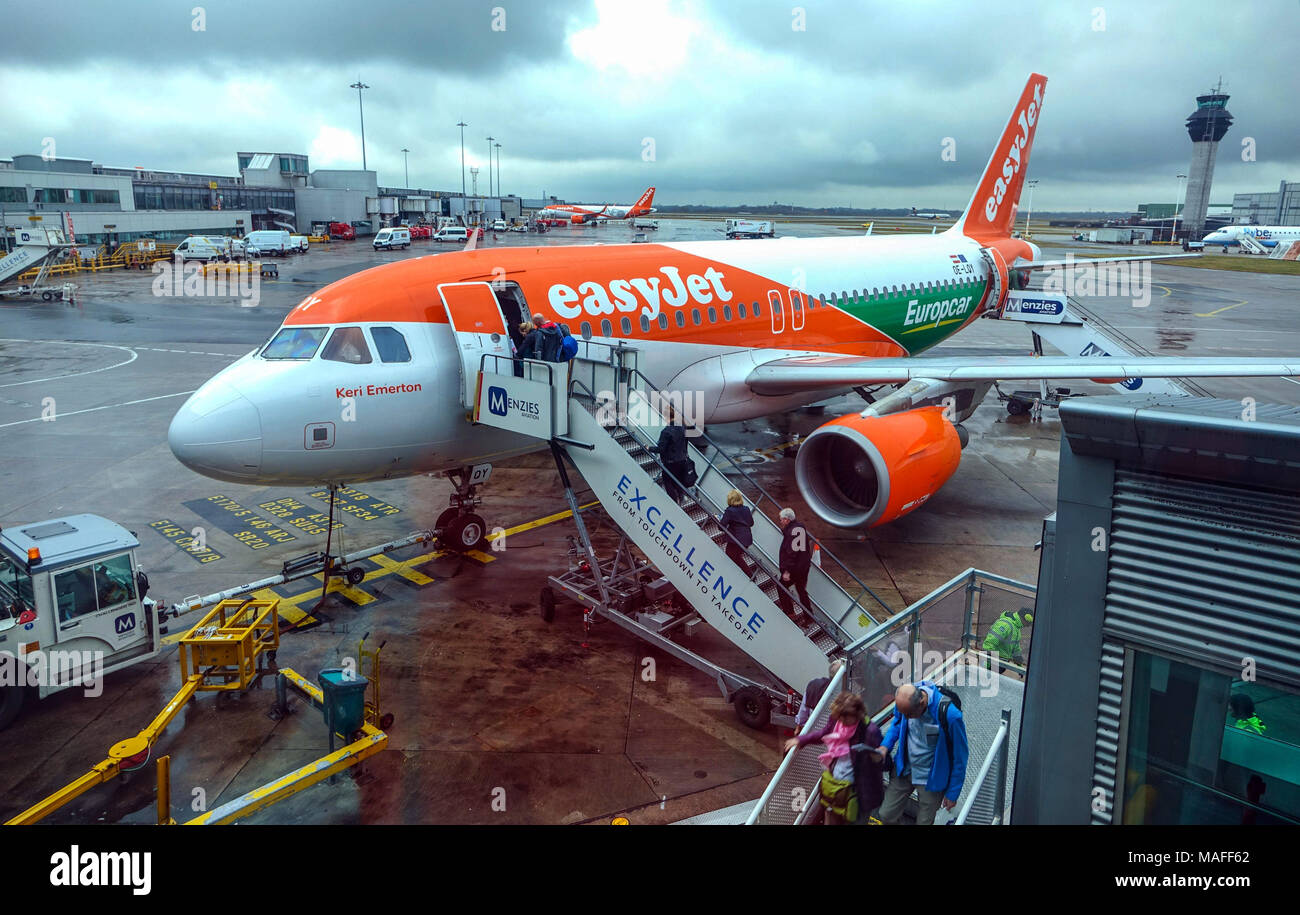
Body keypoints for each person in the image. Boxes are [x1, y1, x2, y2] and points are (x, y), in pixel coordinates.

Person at [783, 691, 884, 825]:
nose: (840, 721)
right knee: (830, 818)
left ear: (857, 714)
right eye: (839, 717)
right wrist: (801, 740)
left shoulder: (870, 731)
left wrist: (877, 758)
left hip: (858, 793)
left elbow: (884, 762)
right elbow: (824, 733)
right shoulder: (837, 720)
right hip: (835, 787)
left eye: (844, 718)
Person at [876, 681, 969, 825]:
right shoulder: (905, 702)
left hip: (931, 778)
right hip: (905, 769)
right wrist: (884, 746)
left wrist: (953, 793)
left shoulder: (950, 715)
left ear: (922, 703)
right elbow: (897, 723)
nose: (905, 718)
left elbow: (960, 756)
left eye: (909, 715)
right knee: (886, 814)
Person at [648, 406, 692, 503]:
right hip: (682, 460)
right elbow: (685, 442)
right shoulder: (682, 427)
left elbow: (661, 449)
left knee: (668, 482)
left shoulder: (666, 432)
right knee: (678, 481)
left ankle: (674, 502)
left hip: (670, 463)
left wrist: (649, 448)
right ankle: (682, 496)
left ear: (666, 416)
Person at [777, 507, 813, 623]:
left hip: (795, 569)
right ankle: (809, 617)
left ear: (787, 520)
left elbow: (792, 553)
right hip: (804, 566)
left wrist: (787, 571)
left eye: (781, 519)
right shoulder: (800, 527)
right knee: (801, 590)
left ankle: (790, 613)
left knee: (781, 586)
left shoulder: (792, 532)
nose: (780, 522)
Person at [794, 659, 844, 732]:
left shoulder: (814, 684)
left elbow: (804, 709)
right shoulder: (842, 693)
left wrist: (799, 725)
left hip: (813, 726)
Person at [982, 608, 1032, 672]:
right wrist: (985, 665)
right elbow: (990, 643)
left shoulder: (1016, 628)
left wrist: (1020, 667)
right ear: (1025, 618)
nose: (1028, 626)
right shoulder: (1006, 625)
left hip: (1000, 663)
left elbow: (1015, 648)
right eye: (1028, 623)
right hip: (993, 663)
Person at [719, 489, 754, 577]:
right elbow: (751, 523)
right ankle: (749, 575)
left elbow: (721, 526)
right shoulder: (746, 509)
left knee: (730, 556)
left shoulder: (730, 510)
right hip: (747, 539)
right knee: (737, 557)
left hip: (736, 540)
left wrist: (719, 519)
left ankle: (748, 575)